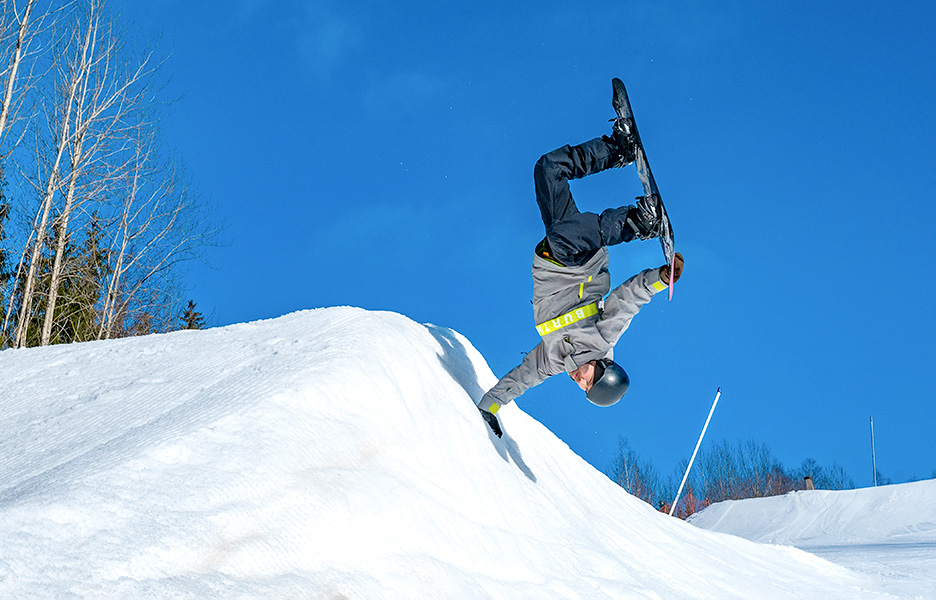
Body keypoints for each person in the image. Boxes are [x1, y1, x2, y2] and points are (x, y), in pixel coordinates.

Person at [477, 82, 684, 437]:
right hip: (579, 261)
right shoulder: (602, 340)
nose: (579, 381)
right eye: (589, 380)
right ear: (603, 368)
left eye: (583, 389)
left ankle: (616, 148)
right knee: (564, 235)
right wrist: (660, 278)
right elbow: (629, 299)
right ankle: (639, 222)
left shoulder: (552, 362)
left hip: (552, 259)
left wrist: (490, 406)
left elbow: (520, 378)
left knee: (548, 169)